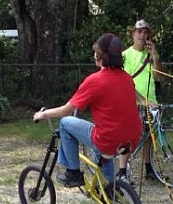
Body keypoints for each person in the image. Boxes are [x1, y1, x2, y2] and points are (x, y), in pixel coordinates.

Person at [33, 33, 141, 186]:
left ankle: (73, 173)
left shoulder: (95, 80)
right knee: (102, 147)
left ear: (99, 55)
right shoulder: (127, 78)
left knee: (65, 123)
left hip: (108, 139)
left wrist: (43, 114)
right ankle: (109, 190)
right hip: (132, 138)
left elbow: (66, 110)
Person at [122, 19, 163, 178]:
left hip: (151, 101)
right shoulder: (125, 55)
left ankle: (148, 167)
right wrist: (142, 101)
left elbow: (158, 77)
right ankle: (123, 170)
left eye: (145, 32)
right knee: (129, 136)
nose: (142, 35)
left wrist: (154, 55)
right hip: (134, 102)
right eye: (139, 31)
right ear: (133, 34)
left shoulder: (150, 55)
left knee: (149, 136)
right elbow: (125, 83)